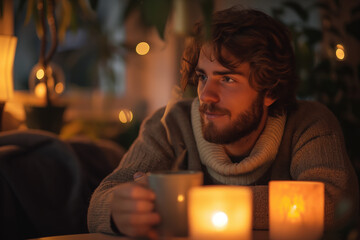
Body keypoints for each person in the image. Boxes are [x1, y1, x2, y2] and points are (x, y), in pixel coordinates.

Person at [87, 6, 359, 238]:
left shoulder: (308, 124)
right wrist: (119, 210)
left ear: (271, 91)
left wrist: (192, 203)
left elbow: (334, 202)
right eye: (203, 76)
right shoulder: (170, 125)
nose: (206, 95)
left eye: (227, 79)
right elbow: (101, 202)